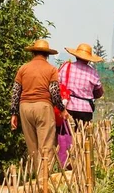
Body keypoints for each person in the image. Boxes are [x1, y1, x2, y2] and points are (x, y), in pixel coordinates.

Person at [11, 39, 69, 167]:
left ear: (33, 53)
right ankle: (44, 178)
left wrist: (14, 114)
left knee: (32, 146)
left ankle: (34, 177)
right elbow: (54, 92)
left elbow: (16, 91)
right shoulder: (51, 69)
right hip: (43, 107)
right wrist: (62, 109)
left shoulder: (23, 68)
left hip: (24, 108)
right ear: (47, 55)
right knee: (46, 146)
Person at [61, 42, 104, 124]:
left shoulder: (66, 67)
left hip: (68, 107)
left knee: (67, 135)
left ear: (76, 56)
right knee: (83, 134)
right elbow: (99, 92)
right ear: (88, 59)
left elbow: (57, 84)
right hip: (85, 109)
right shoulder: (93, 72)